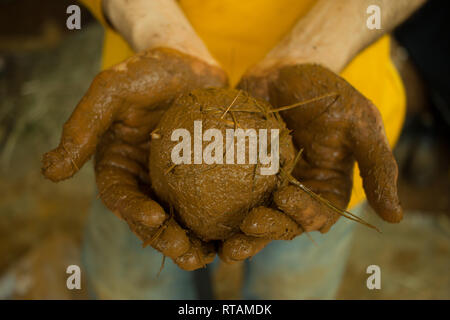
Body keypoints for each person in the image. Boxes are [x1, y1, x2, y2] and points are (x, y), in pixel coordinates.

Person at [42, 0, 426, 299]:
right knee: (128, 287)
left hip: (321, 138)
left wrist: (322, 45)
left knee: (292, 288)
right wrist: (153, 26)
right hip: (142, 120)